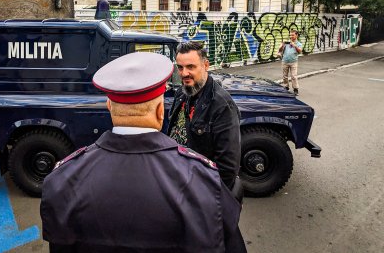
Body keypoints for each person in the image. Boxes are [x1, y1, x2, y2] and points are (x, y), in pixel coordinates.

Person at [40, 51, 247, 253]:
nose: (185, 72)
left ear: (109, 105)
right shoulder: (204, 183)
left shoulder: (61, 181)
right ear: (160, 112)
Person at [167, 41, 242, 191]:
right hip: (177, 181)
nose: (183, 73)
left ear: (206, 65)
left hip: (199, 189)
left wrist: (205, 198)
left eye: (190, 67)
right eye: (180, 67)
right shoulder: (182, 92)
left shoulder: (222, 106)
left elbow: (227, 168)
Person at [278, 30, 303, 95]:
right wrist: (282, 46)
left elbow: (300, 51)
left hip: (293, 62)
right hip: (285, 61)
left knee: (294, 76)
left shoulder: (299, 44)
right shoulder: (286, 43)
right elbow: (280, 50)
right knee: (285, 76)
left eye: (292, 35)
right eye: (290, 35)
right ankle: (286, 87)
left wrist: (294, 45)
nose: (291, 36)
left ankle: (295, 89)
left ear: (296, 35)